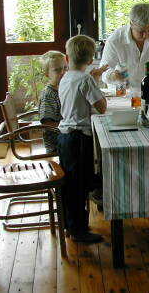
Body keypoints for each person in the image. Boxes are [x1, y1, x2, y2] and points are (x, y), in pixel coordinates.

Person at [58, 35, 109, 243]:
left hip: (64, 137)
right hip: (79, 139)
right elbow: (102, 106)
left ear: (67, 58)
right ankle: (79, 231)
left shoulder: (66, 77)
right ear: (90, 61)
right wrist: (94, 82)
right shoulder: (85, 79)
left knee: (71, 184)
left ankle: (71, 225)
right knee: (79, 185)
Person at [99, 3, 149, 89]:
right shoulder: (115, 40)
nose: (145, 35)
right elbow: (103, 71)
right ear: (131, 24)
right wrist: (113, 75)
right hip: (122, 92)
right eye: (141, 31)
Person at [38, 50, 67, 154]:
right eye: (57, 70)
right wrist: (68, 126)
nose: (63, 72)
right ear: (47, 74)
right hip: (57, 142)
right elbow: (47, 123)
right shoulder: (49, 94)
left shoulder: (61, 89)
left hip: (63, 135)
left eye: (65, 68)